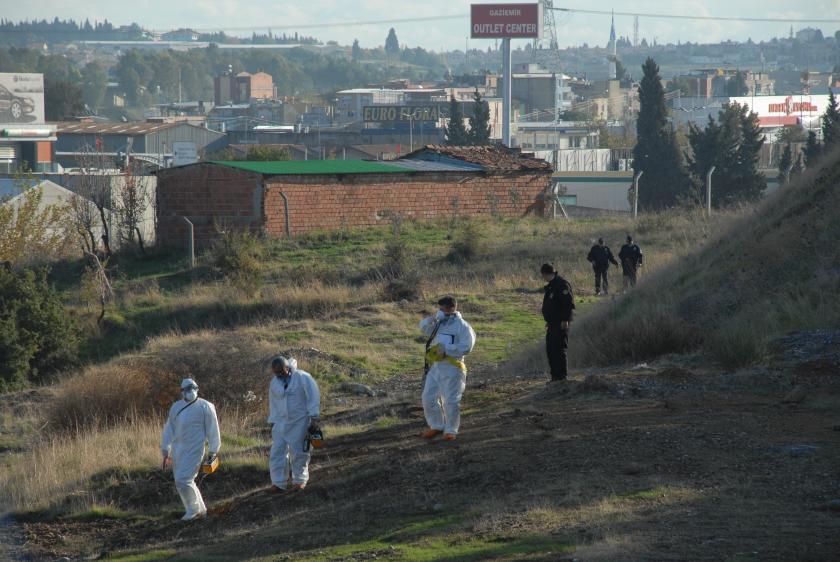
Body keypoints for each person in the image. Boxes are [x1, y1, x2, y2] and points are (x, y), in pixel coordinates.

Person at [161, 378, 221, 521]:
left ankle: (193, 510)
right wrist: (165, 448)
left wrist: (213, 450)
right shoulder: (176, 407)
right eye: (186, 389)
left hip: (195, 447)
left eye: (192, 387)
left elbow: (213, 430)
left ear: (197, 388)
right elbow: (169, 428)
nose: (190, 391)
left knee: (184, 479)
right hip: (178, 448)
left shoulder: (206, 406)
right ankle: (200, 509)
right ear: (182, 392)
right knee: (181, 480)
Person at [419, 296, 476, 441]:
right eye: (439, 309)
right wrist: (434, 317)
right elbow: (423, 327)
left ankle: (451, 430)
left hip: (453, 367)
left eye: (442, 309)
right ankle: (436, 425)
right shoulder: (439, 323)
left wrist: (446, 349)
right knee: (428, 398)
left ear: (452, 308)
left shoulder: (463, 326)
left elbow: (467, 347)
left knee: (450, 400)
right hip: (436, 366)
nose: (440, 311)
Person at [267, 356, 321, 492]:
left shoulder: (303, 377)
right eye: (276, 373)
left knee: (300, 452)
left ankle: (300, 480)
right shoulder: (274, 382)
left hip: (300, 421)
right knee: (277, 452)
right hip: (281, 422)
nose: (279, 375)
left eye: (281, 372)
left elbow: (313, 396)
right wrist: (272, 421)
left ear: (287, 368)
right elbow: (273, 402)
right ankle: (278, 483)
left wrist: (314, 418)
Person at [540, 263, 575, 381]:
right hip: (552, 323)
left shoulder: (562, 285)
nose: (543, 278)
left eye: (543, 275)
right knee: (551, 349)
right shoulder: (551, 286)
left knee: (559, 349)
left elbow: (568, 304)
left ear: (547, 274)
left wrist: (565, 319)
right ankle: (554, 376)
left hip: (561, 323)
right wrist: (548, 320)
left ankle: (561, 377)